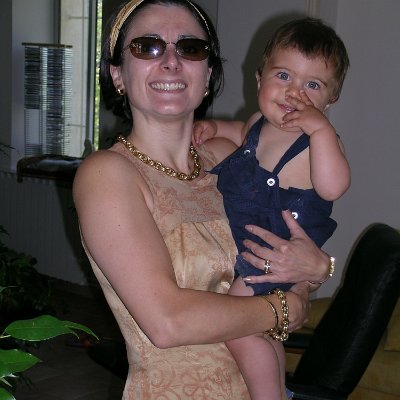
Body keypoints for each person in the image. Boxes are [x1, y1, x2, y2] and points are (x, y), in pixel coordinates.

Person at [73, 2, 334, 399]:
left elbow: (286, 249)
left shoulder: (236, 157)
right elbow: (167, 323)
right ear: (117, 74)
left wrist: (314, 272)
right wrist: (287, 308)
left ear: (208, 74)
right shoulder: (107, 174)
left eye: (190, 48)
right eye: (148, 47)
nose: (171, 61)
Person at [193, 17, 351, 400]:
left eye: (313, 85)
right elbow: (241, 136)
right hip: (252, 249)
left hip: (274, 255)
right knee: (262, 332)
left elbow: (334, 186)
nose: (295, 92)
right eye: (283, 76)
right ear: (259, 77)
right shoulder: (258, 123)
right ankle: (281, 390)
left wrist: (321, 131)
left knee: (238, 324)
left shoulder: (319, 142)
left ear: (331, 99)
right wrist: (214, 127)